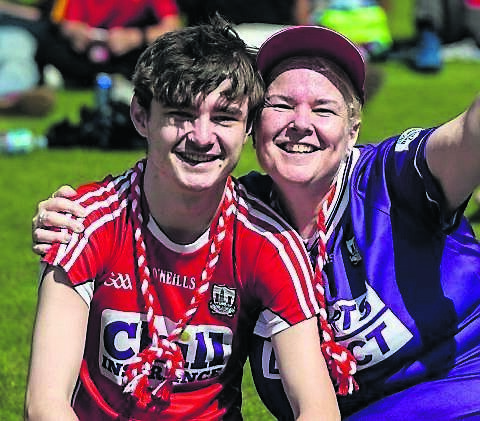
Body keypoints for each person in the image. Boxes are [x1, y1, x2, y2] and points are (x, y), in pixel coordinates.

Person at [33, 23, 480, 420]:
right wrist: (68, 216)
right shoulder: (237, 217)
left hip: (462, 391)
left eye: (323, 109)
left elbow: (470, 135)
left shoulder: (389, 178)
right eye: (282, 105)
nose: (300, 124)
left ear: (354, 128)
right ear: (255, 123)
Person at [25, 18, 345, 421]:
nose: (201, 135)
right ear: (141, 116)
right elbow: (44, 404)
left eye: (224, 118)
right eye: (180, 113)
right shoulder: (83, 223)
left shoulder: (268, 241)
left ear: (247, 128)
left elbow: (318, 408)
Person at [37, 0, 181, 87]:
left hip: (130, 51)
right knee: (50, 45)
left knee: (159, 53)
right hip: (89, 49)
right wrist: (77, 34)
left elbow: (173, 27)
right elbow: (66, 24)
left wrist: (136, 37)